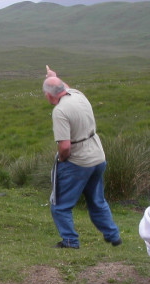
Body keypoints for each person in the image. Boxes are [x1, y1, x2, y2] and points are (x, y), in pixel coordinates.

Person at [43, 65, 121, 249]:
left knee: (60, 205)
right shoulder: (77, 94)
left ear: (48, 95)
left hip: (78, 163)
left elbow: (64, 147)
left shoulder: (60, 111)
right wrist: (54, 76)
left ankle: (70, 241)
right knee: (97, 201)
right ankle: (113, 236)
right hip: (98, 157)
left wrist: (62, 161)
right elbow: (65, 87)